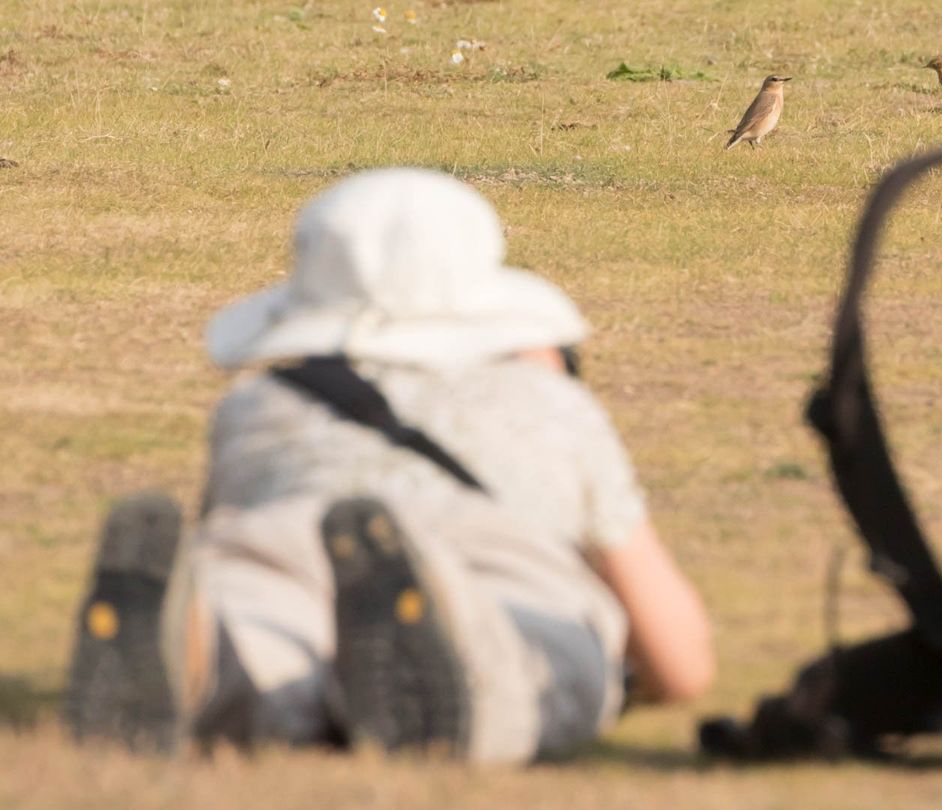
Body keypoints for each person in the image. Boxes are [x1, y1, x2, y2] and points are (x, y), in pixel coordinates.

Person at [64, 168, 714, 763]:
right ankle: (446, 656)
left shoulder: (258, 404)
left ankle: (204, 651)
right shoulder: (550, 404)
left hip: (285, 537)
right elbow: (678, 663)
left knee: (265, 617)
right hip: (494, 554)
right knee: (518, 651)